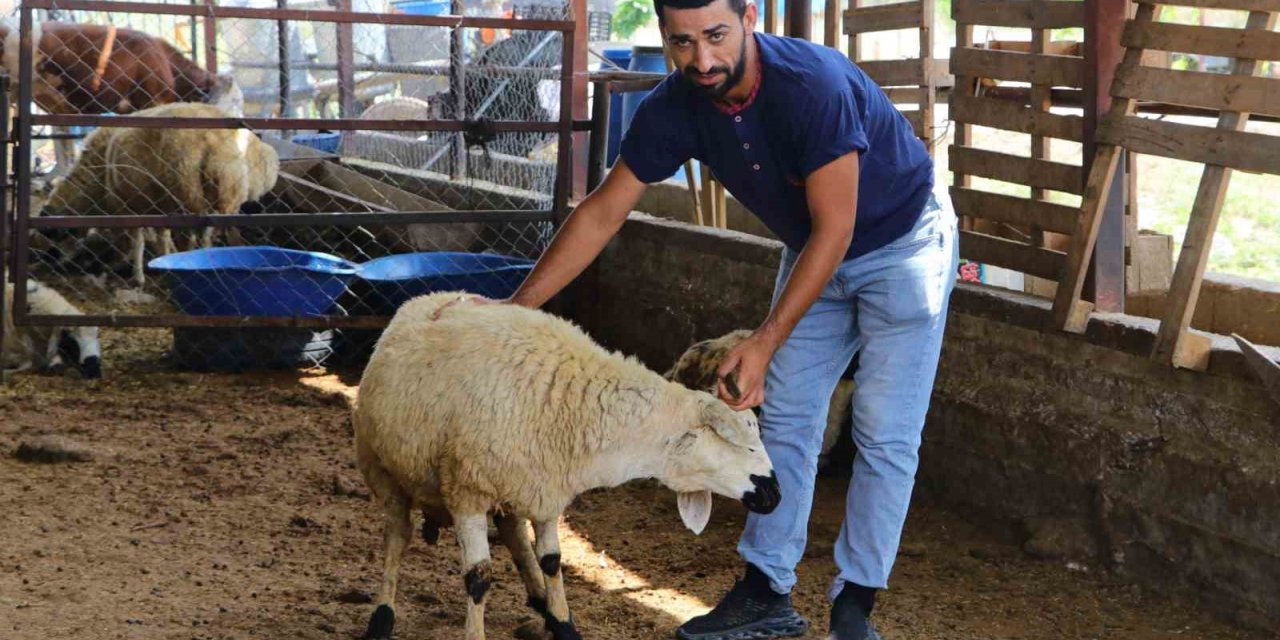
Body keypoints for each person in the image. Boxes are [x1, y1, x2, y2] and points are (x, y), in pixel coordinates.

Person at [437, 0, 958, 637]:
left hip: (901, 243)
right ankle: (767, 590)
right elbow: (604, 211)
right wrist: (516, 311)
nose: (702, 59)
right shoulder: (676, 104)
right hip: (815, 247)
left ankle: (855, 607)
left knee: (884, 432)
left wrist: (766, 340)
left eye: (716, 36)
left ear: (749, 22)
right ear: (664, 36)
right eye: (682, 42)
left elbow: (837, 227)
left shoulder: (810, 87)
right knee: (786, 418)